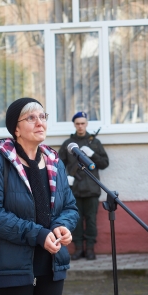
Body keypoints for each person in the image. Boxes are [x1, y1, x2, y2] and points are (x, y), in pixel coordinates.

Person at [0, 97, 79, 295]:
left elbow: (70, 207)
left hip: (50, 267)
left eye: (42, 117)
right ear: (16, 129)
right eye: (31, 118)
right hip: (10, 270)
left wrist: (62, 226)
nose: (39, 122)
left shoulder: (54, 161)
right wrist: (38, 234)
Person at [58, 112, 109, 261]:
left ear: (86, 124)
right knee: (76, 221)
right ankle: (79, 248)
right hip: (74, 189)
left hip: (92, 188)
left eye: (83, 123)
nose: (80, 126)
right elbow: (59, 165)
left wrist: (92, 154)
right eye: (77, 123)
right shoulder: (69, 144)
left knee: (91, 220)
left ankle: (90, 249)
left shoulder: (94, 143)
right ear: (74, 125)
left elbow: (104, 164)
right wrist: (65, 179)